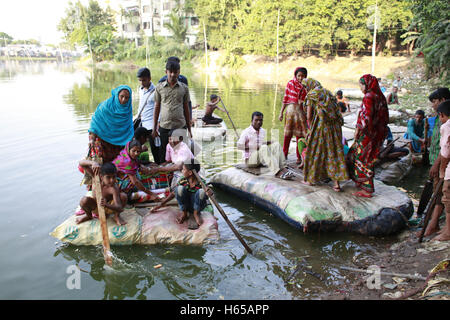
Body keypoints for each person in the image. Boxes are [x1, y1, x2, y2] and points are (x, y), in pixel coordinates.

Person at [81, 85, 134, 189]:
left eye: (126, 98)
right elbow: (95, 125)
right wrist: (91, 140)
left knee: (116, 170)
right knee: (99, 168)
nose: (123, 100)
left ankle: (116, 188)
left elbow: (129, 128)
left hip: (119, 146)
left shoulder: (127, 110)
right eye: (121, 96)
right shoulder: (105, 107)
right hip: (103, 144)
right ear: (116, 95)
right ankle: (96, 188)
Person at [301, 78, 349, 192]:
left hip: (322, 127)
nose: (305, 89)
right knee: (334, 152)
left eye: (305, 86)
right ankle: (336, 184)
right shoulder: (328, 93)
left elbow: (308, 116)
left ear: (309, 85)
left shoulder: (312, 95)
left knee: (315, 150)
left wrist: (309, 130)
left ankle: (311, 180)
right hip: (335, 127)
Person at [347, 74, 389, 198]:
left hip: (368, 134)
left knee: (362, 158)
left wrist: (358, 130)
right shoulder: (380, 97)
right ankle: (361, 182)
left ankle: (367, 188)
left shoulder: (368, 97)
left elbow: (366, 118)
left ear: (366, 85)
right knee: (367, 157)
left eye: (361, 85)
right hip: (377, 134)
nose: (360, 88)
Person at [419, 88, 450, 237]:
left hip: (440, 163)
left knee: (441, 194)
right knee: (438, 193)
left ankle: (434, 224)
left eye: (435, 102)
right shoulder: (440, 118)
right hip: (436, 160)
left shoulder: (446, 122)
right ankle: (434, 223)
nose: (433, 105)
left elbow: (444, 149)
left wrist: (437, 165)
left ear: (443, 100)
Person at [152, 59, 192, 166]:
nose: (173, 74)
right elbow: (156, 107)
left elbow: (186, 108)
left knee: (182, 153)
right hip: (165, 126)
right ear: (166, 72)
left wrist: (189, 128)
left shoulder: (184, 88)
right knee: (164, 154)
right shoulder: (159, 88)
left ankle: (181, 177)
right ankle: (165, 178)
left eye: (176, 72)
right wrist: (154, 128)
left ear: (179, 72)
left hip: (180, 126)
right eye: (171, 72)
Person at [150, 162, 212, 229]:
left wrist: (209, 192)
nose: (182, 171)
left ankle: (196, 213)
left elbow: (208, 193)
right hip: (186, 205)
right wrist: (161, 204)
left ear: (190, 173)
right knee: (179, 189)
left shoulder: (201, 182)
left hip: (196, 206)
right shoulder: (183, 180)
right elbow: (173, 193)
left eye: (183, 169)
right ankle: (184, 213)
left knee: (202, 191)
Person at [237, 111, 294, 180]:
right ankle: (277, 172)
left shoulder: (262, 131)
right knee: (264, 147)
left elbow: (261, 145)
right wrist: (253, 147)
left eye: (260, 120)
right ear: (252, 121)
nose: (259, 122)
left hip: (260, 158)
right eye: (256, 120)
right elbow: (239, 146)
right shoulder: (246, 132)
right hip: (250, 160)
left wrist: (269, 142)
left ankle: (284, 168)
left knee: (276, 144)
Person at [76, 162, 128, 226]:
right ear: (101, 177)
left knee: (123, 196)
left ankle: (117, 216)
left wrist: (106, 205)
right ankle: (88, 216)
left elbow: (120, 208)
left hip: (109, 207)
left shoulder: (113, 188)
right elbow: (81, 163)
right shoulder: (95, 177)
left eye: (114, 177)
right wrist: (93, 163)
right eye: (108, 177)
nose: (112, 180)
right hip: (96, 207)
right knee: (84, 200)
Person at [279, 67, 308, 165]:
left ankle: (299, 157)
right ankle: (284, 154)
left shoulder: (306, 86)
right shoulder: (290, 83)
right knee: (287, 135)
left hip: (301, 113)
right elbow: (285, 98)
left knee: (299, 135)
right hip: (290, 112)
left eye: (303, 76)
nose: (300, 78)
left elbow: (308, 102)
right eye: (299, 76)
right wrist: (281, 113)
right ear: (295, 75)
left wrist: (303, 102)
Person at [135, 67, 162, 163]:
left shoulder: (156, 91)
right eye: (140, 80)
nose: (142, 82)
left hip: (152, 125)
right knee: (136, 146)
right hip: (142, 123)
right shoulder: (141, 89)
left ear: (149, 78)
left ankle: (158, 166)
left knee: (155, 149)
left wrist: (157, 126)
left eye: (144, 80)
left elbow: (160, 109)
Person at [434, 100, 450, 241]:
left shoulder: (447, 126)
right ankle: (445, 228)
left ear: (442, 114)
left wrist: (442, 171)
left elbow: (445, 152)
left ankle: (447, 232)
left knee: (447, 199)